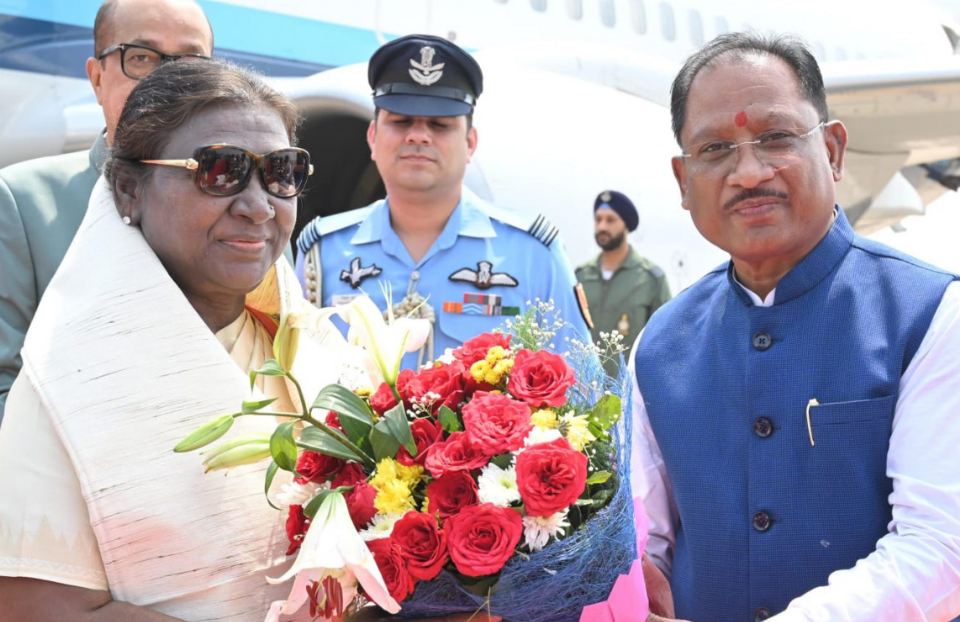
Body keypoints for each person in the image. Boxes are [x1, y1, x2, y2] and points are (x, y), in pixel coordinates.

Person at [0, 60, 345, 621]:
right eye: (221, 169)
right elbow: (39, 606)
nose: (258, 204)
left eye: (281, 172)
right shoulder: (67, 387)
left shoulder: (323, 357)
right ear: (129, 189)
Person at [632, 33, 960, 621]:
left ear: (833, 151)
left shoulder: (933, 313)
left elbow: (941, 548)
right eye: (715, 149)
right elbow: (643, 539)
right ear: (683, 180)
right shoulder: (660, 345)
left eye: (776, 138)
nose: (749, 172)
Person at [295, 34, 590, 368]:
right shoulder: (322, 254)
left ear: (471, 144)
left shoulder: (532, 255)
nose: (418, 135)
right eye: (400, 121)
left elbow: (580, 392)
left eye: (439, 124)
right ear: (373, 138)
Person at [0, 0, 214, 421]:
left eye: (191, 63)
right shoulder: (22, 203)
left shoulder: (248, 211)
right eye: (140, 57)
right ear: (96, 78)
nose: (168, 82)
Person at [575, 190, 671, 363]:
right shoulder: (580, 276)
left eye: (610, 220)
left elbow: (665, 339)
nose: (602, 227)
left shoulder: (651, 278)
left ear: (626, 225)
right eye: (598, 219)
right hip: (583, 385)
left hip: (630, 386)